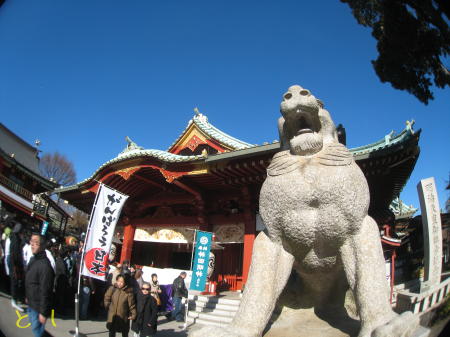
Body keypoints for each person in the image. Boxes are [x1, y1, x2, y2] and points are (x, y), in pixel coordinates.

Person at [25, 234, 55, 337]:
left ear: (42, 246)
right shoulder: (34, 259)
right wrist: (27, 296)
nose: (32, 245)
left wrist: (43, 312)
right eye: (31, 241)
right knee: (36, 330)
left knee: (37, 332)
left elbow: (45, 290)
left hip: (38, 307)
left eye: (36, 243)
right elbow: (31, 282)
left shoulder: (45, 266)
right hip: (31, 302)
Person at [9, 222, 25, 312]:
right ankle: (13, 300)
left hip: (14, 263)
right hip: (15, 264)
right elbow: (15, 254)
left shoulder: (14, 238)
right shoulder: (16, 239)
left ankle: (14, 300)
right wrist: (18, 263)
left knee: (15, 281)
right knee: (14, 282)